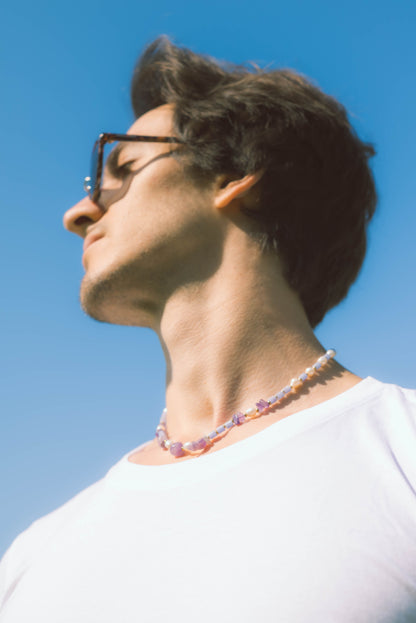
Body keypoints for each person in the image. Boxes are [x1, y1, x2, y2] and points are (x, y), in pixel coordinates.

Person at [1, 36, 415, 623]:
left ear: (237, 175)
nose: (80, 212)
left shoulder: (403, 452)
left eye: (122, 167)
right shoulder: (31, 556)